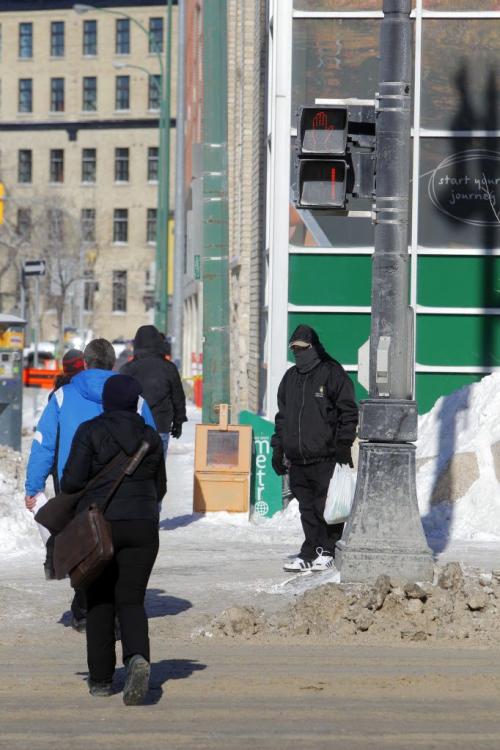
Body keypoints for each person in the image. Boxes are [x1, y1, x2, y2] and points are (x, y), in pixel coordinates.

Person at [25, 338, 157, 631]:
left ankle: (86, 607)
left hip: (75, 484)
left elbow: (44, 444)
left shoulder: (62, 397)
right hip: (125, 485)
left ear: (84, 363)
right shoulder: (135, 399)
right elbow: (153, 443)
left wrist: (34, 486)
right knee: (117, 548)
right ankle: (114, 611)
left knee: (85, 545)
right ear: (113, 364)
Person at [60, 374, 166, 704]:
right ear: (135, 402)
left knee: (100, 600)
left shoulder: (90, 431)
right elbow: (160, 487)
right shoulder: (150, 436)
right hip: (143, 528)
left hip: (100, 527)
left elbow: (71, 483)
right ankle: (137, 658)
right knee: (132, 600)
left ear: (106, 400)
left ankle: (102, 680)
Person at [271, 324, 358, 572]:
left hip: (326, 455)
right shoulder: (290, 377)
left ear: (314, 347)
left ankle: (327, 549)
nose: (298, 353)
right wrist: (278, 448)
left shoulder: (331, 372)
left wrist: (343, 443)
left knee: (325, 506)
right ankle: (310, 550)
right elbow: (283, 417)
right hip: (298, 457)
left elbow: (348, 412)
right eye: (294, 349)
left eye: (303, 348)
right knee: (307, 508)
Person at [44, 348, 85, 581]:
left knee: (65, 511)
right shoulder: (75, 394)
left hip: (60, 465)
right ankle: (68, 559)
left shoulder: (57, 393)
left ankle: (54, 559)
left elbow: (48, 437)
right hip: (79, 463)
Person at [121, 325, 186, 457]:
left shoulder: (127, 369)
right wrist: (178, 422)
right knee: (157, 470)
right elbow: (178, 397)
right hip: (160, 426)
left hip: (134, 428)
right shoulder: (169, 368)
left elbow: (119, 399)